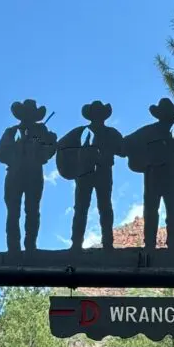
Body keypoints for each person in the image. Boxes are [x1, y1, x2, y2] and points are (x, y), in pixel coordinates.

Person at [124, 98, 174, 249]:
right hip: (155, 174)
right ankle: (152, 243)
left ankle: (170, 243)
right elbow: (126, 144)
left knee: (170, 208)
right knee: (154, 209)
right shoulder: (150, 131)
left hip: (171, 174)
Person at [56, 100, 124, 251]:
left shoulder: (111, 133)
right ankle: (77, 243)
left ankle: (107, 242)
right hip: (85, 173)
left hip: (102, 173)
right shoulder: (81, 132)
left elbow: (123, 150)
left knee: (103, 207)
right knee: (82, 208)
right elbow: (61, 145)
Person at [0, 99, 57, 253]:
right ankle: (13, 248)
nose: (28, 117)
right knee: (13, 212)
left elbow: (48, 149)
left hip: (34, 174)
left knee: (33, 210)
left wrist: (44, 142)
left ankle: (30, 246)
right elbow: (1, 152)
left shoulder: (40, 132)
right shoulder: (11, 132)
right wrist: (18, 151)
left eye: (31, 114)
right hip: (14, 175)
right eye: (26, 114)